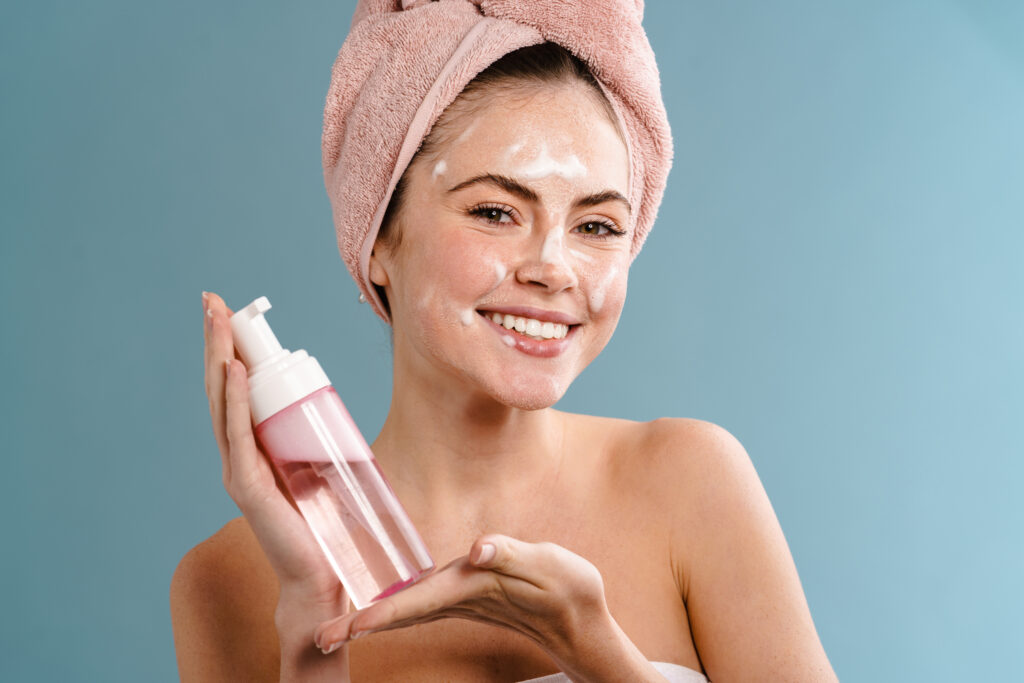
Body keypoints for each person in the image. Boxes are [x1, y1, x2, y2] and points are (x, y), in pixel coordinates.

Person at [171, 2, 838, 681]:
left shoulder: (690, 483)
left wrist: (593, 646)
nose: (553, 267)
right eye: (495, 211)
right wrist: (311, 610)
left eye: (598, 226)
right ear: (378, 238)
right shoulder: (227, 580)